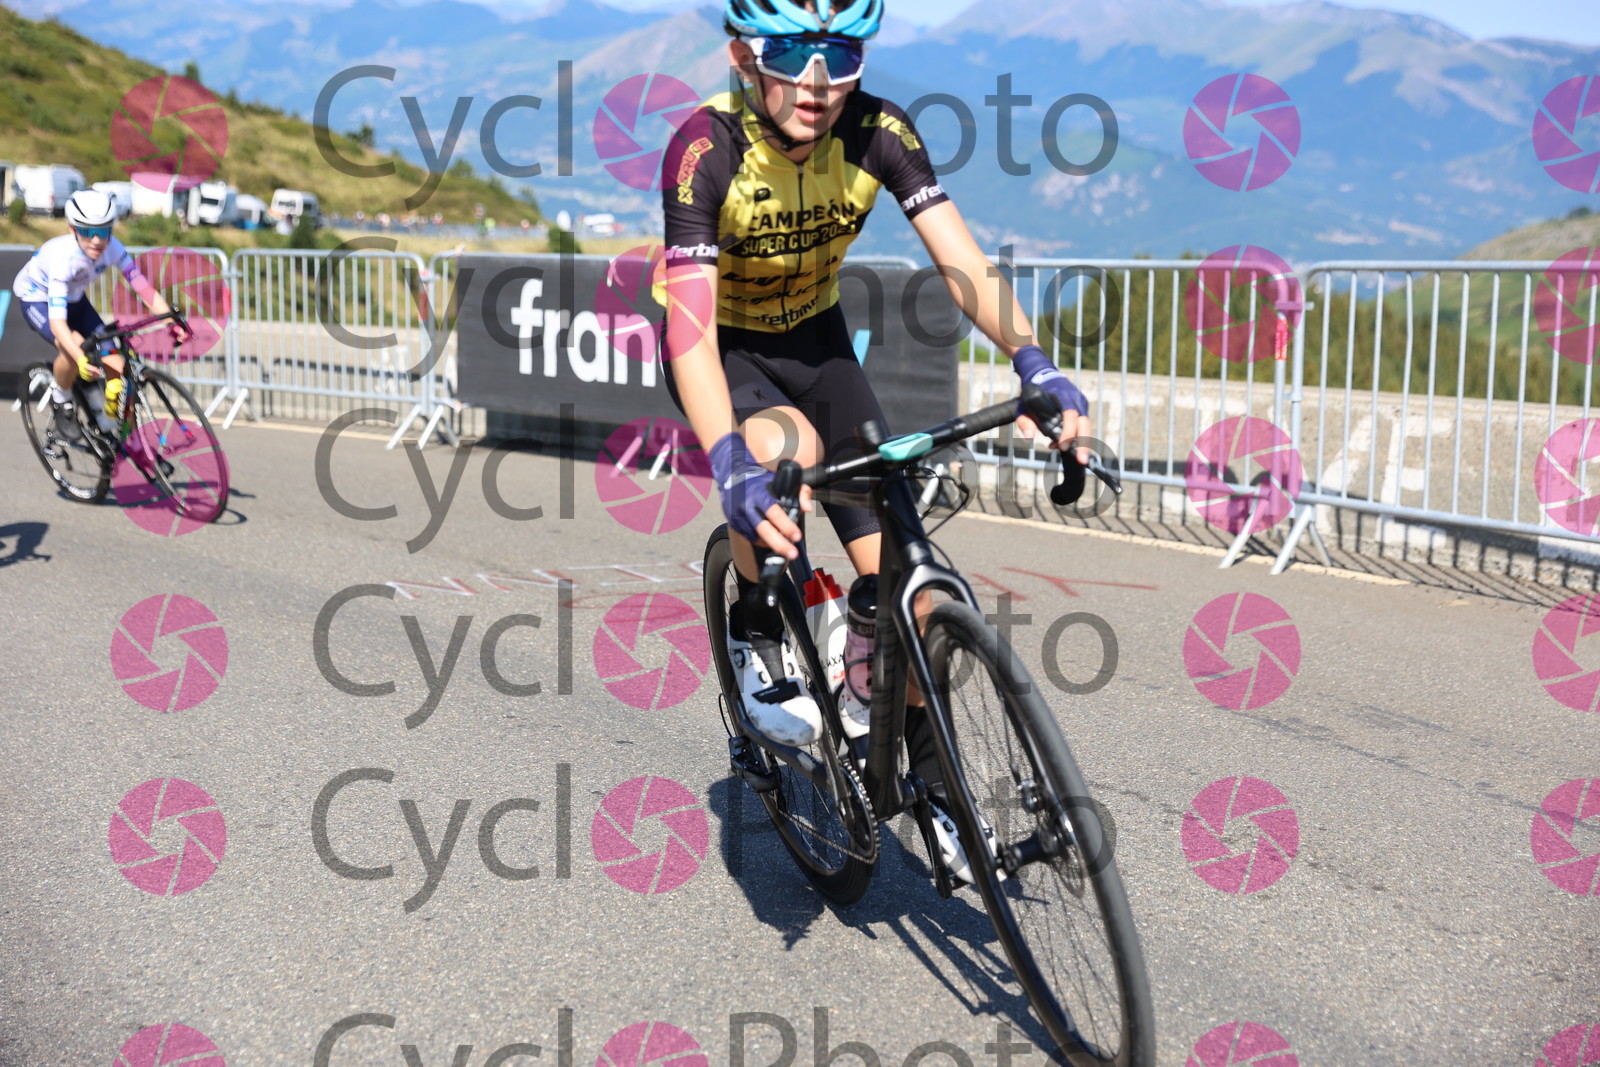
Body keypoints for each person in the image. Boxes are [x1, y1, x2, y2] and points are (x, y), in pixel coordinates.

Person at [659, 0, 1094, 882]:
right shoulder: (706, 150)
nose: (818, 81)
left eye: (841, 53)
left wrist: (1034, 360)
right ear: (745, 57)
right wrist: (728, 458)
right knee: (780, 456)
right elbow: (690, 332)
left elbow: (963, 263)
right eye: (792, 53)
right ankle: (755, 624)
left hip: (818, 345)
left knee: (915, 595)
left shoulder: (880, 131)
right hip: (724, 349)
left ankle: (931, 784)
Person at [11, 188, 188, 442]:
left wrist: (170, 321)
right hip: (37, 300)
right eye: (87, 231)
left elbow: (144, 289)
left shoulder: (113, 247)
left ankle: (112, 428)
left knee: (114, 358)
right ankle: (62, 400)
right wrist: (80, 357)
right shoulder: (63, 260)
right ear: (72, 229)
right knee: (73, 347)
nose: (96, 240)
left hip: (75, 300)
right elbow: (58, 323)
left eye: (104, 231)